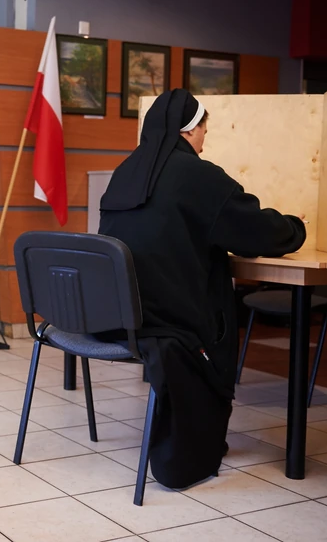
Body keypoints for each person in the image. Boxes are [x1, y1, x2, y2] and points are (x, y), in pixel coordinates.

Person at [96, 88, 306, 489]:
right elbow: (257, 233)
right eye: (205, 131)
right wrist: (297, 227)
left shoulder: (125, 171)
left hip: (117, 317)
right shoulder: (198, 175)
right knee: (219, 319)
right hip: (170, 323)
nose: (205, 140)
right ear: (190, 130)